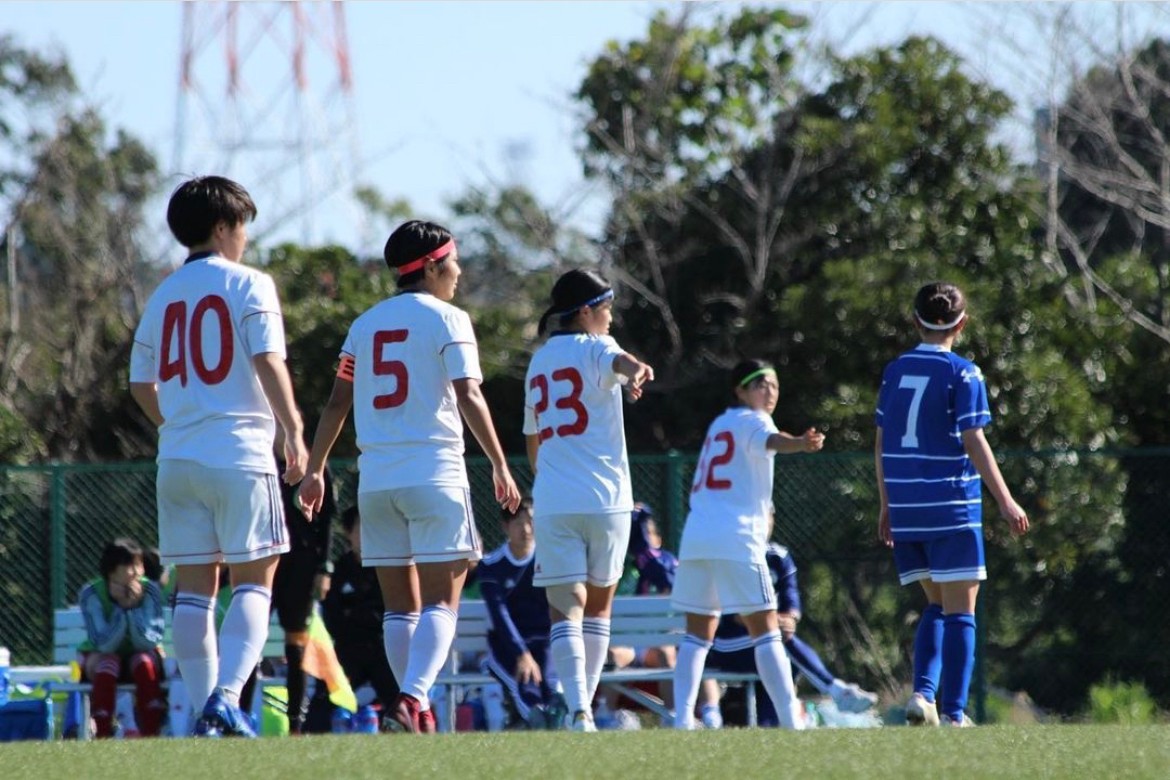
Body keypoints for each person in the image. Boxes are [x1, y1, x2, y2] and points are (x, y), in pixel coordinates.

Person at [298, 219, 521, 734]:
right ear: (433, 266)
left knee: (400, 608)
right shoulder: (450, 319)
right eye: (454, 261)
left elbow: (337, 404)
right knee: (443, 599)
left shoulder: (364, 325)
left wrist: (314, 471)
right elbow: (468, 394)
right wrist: (499, 463)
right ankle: (413, 697)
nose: (459, 271)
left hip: (376, 481)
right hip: (434, 472)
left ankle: (412, 713)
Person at [129, 175, 308, 737]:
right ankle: (227, 697)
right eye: (243, 226)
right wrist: (293, 430)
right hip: (239, 451)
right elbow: (268, 361)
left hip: (178, 459)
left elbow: (139, 382)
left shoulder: (162, 294)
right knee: (255, 580)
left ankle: (206, 712)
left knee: (195, 589)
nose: (245, 238)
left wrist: (178, 424)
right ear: (223, 226)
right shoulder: (251, 283)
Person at [875, 281, 1029, 728]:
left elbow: (881, 441)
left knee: (936, 605)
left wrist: (886, 504)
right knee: (961, 611)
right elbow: (973, 438)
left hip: (906, 506)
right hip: (950, 504)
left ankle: (922, 695)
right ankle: (955, 714)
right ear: (962, 324)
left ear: (915, 320)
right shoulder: (964, 373)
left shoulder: (895, 370)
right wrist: (1005, 499)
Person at [523, 268, 654, 732]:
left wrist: (548, 478)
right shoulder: (598, 346)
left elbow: (533, 439)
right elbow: (620, 360)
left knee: (565, 609)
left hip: (556, 500)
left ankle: (578, 708)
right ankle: (582, 711)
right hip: (607, 499)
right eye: (606, 308)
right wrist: (637, 370)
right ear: (585, 312)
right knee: (598, 608)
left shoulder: (539, 361)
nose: (610, 317)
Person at [671, 358, 824, 730]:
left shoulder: (719, 423)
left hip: (697, 535)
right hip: (736, 535)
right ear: (740, 390)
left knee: (697, 634)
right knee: (766, 629)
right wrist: (800, 443)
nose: (769, 391)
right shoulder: (754, 420)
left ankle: (682, 721)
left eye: (773, 384)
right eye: (760, 384)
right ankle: (790, 721)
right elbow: (772, 441)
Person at [706, 536, 879, 725]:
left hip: (768, 642)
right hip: (727, 647)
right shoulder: (730, 555)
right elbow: (734, 615)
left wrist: (789, 620)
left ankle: (771, 721)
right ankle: (836, 691)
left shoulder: (778, 556)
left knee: (783, 652)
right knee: (778, 643)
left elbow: (791, 601)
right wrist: (773, 623)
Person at [478, 497, 564, 729]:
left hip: (545, 643)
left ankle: (554, 725)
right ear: (505, 527)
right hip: (506, 648)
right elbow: (499, 616)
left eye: (531, 521)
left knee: (552, 688)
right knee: (526, 684)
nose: (526, 529)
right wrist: (522, 654)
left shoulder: (550, 560)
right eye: (518, 523)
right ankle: (537, 724)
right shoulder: (491, 565)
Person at [77, 538, 167, 738]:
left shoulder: (150, 590)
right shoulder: (91, 594)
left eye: (139, 565)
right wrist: (120, 609)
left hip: (140, 654)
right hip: (101, 659)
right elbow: (104, 645)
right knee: (107, 662)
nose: (138, 572)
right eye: (130, 566)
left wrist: (132, 609)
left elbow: (148, 641)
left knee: (144, 662)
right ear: (112, 571)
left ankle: (151, 733)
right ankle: (102, 733)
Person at [319, 505, 400, 726]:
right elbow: (332, 615)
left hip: (382, 650)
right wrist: (359, 616)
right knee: (322, 703)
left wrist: (356, 612)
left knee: (399, 699)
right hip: (348, 650)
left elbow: (389, 611)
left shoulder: (388, 569)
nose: (366, 535)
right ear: (349, 532)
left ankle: (408, 730)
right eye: (360, 529)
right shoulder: (338, 570)